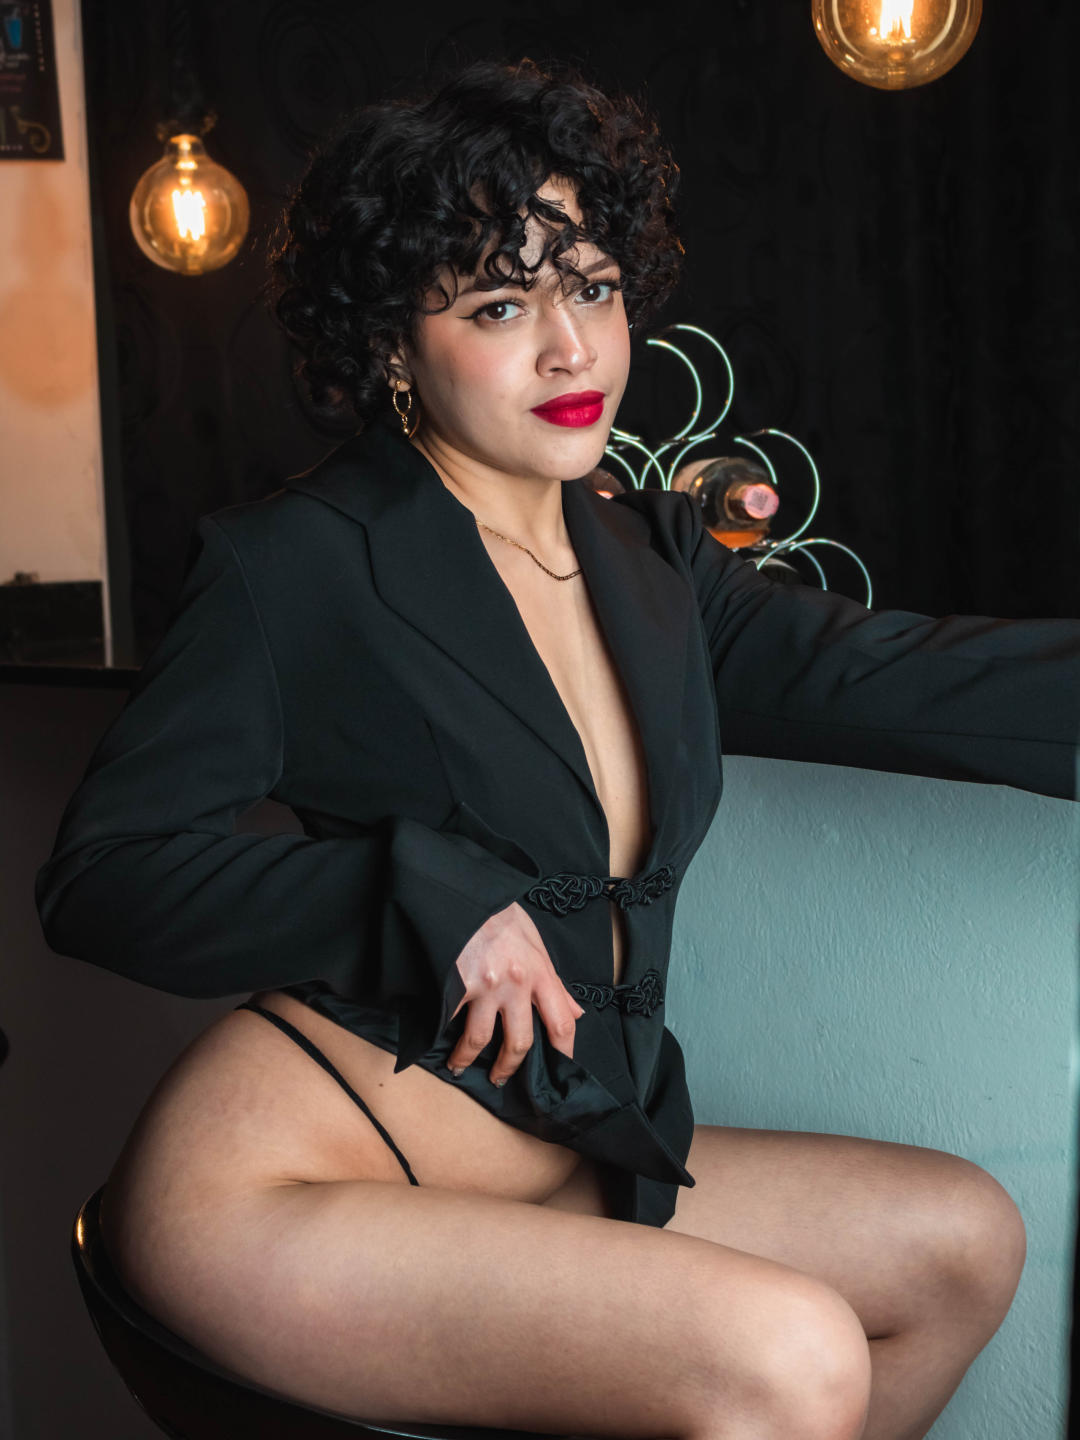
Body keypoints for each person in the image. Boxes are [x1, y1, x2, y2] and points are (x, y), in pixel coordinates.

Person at [35, 55, 1079, 1440]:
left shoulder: (655, 561)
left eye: (590, 287)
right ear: (392, 343)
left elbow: (909, 679)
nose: (571, 349)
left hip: (569, 1137)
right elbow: (102, 877)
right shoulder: (297, 562)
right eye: (497, 306)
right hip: (295, 1173)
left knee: (962, 1242)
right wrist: (420, 887)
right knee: (792, 1355)